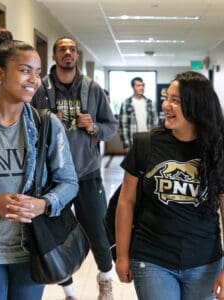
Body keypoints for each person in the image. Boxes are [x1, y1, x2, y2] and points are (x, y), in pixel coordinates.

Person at [0, 29, 78, 300]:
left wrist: (44, 204)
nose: (34, 80)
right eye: (25, 71)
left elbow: (69, 183)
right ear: (0, 73)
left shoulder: (46, 124)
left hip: (32, 248)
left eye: (37, 73)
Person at [115, 71, 224, 300]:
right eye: (167, 98)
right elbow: (126, 201)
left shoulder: (216, 150)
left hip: (204, 261)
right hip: (152, 258)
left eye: (176, 101)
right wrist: (122, 255)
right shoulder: (146, 144)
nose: (166, 105)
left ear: (197, 107)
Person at [32, 37, 118, 300]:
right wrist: (45, 122)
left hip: (87, 173)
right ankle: (69, 292)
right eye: (62, 50)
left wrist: (93, 127)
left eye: (72, 50)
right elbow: (25, 126)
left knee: (99, 233)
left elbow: (110, 127)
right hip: (51, 178)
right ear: (55, 57)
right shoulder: (40, 90)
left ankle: (105, 280)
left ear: (77, 56)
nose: (68, 53)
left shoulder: (93, 89)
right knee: (54, 239)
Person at [119, 77, 157, 152]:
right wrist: (126, 144)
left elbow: (155, 123)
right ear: (133, 87)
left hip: (148, 140)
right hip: (133, 140)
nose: (141, 87)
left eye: (142, 85)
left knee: (147, 163)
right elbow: (123, 126)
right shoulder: (126, 103)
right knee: (133, 163)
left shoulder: (149, 102)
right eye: (138, 85)